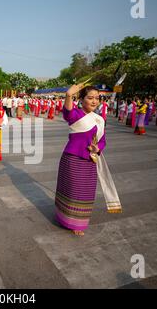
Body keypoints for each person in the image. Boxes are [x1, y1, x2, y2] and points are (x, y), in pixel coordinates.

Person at [55, 85, 121, 237]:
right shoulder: (76, 114)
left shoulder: (99, 119)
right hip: (72, 159)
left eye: (97, 98)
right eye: (90, 98)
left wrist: (97, 148)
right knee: (72, 190)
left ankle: (78, 222)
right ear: (81, 99)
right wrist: (68, 95)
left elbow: (102, 140)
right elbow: (67, 112)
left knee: (85, 192)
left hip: (90, 161)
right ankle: (65, 218)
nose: (94, 101)